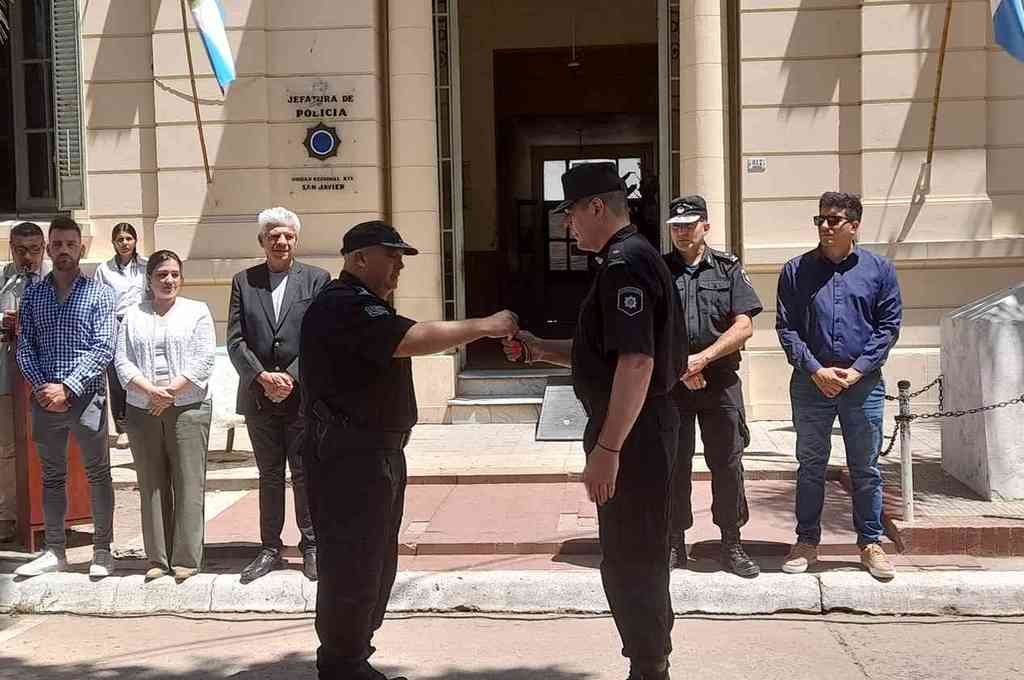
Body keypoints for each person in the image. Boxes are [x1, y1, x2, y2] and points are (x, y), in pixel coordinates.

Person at [301, 220, 518, 680]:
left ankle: (355, 655)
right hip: (348, 458)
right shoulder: (344, 304)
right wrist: (486, 326)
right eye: (391, 255)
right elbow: (412, 339)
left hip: (374, 455)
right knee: (353, 563)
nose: (399, 264)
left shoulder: (367, 304)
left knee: (375, 562)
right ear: (359, 259)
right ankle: (342, 665)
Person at [503, 163, 684, 680]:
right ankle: (649, 660)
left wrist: (608, 450)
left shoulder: (625, 265)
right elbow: (606, 354)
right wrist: (541, 349)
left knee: (633, 557)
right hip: (637, 427)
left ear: (597, 207)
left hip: (635, 432)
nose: (568, 226)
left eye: (571, 214)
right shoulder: (629, 258)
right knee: (633, 551)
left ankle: (649, 666)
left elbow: (637, 362)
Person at [776, 192, 902, 580]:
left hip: (862, 386)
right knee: (810, 465)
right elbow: (787, 328)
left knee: (864, 467)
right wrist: (816, 370)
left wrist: (857, 370)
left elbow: (888, 327)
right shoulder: (796, 271)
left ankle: (870, 543)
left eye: (834, 220)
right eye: (821, 220)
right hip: (811, 384)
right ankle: (806, 542)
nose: (826, 226)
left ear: (854, 225)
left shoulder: (879, 270)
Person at [227, 207, 330, 584]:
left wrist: (289, 377)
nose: (280, 242)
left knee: (304, 473)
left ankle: (312, 545)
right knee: (269, 475)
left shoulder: (317, 280)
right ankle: (270, 548)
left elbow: (322, 337)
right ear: (262, 241)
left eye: (287, 236)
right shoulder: (244, 281)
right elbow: (235, 340)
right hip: (259, 398)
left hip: (302, 397)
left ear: (296, 240)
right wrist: (262, 377)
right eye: (273, 236)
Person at [663, 195, 762, 578]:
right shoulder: (658, 270)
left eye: (689, 224)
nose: (682, 231)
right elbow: (649, 328)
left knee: (727, 463)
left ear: (706, 225)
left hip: (719, 382)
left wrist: (702, 359)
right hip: (673, 384)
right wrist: (681, 366)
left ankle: (731, 543)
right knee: (673, 464)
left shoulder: (728, 269)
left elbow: (744, 326)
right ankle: (674, 543)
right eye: (676, 225)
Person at [14, 216, 117, 578]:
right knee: (52, 476)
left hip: (86, 399)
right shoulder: (34, 295)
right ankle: (55, 550)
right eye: (56, 244)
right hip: (45, 401)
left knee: (98, 474)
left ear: (81, 248)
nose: (63, 251)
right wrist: (43, 387)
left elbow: (104, 347)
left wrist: (67, 387)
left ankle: (102, 551)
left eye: (70, 244)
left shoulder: (100, 293)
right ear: (48, 247)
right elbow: (25, 347)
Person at [115, 250, 216, 582]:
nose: (168, 280)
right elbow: (122, 361)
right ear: (149, 279)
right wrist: (151, 392)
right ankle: (158, 558)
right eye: (161, 274)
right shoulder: (132, 315)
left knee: (188, 482)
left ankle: (186, 558)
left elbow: (203, 360)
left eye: (174, 274)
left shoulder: (197, 311)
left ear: (181, 278)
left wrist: (169, 393)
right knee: (152, 484)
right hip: (142, 407)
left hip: (188, 406)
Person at [0, 221, 51, 542]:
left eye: (34, 250)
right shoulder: (4, 281)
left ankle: (48, 516)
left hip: (46, 381)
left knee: (46, 449)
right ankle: (8, 516)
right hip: (7, 380)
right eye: (20, 250)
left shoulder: (55, 278)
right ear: (11, 249)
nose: (27, 257)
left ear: (44, 248)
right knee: (6, 449)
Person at [94, 222, 148, 449]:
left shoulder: (147, 265)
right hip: (115, 322)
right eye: (120, 239)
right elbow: (97, 299)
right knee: (117, 376)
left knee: (143, 371)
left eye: (128, 238)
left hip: (142, 321)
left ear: (135, 240)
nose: (125, 243)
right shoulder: (104, 269)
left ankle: (146, 422)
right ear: (113, 243)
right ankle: (123, 427)